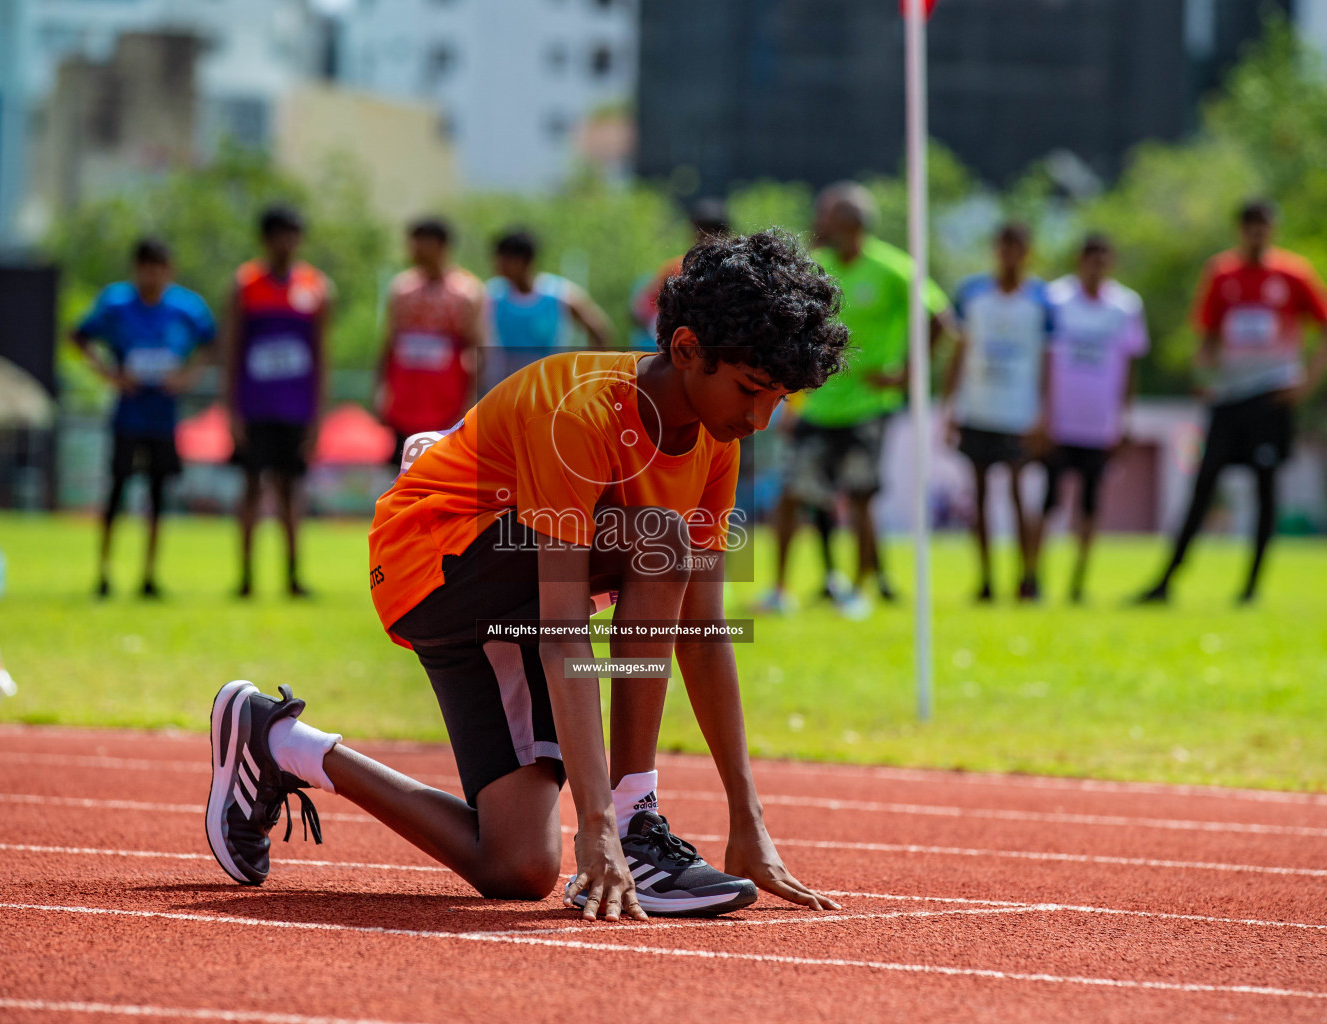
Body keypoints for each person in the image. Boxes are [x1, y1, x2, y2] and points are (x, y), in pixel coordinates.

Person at [205, 231, 848, 922]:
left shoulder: (716, 442)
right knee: (659, 541)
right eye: (752, 390)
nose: (759, 418)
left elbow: (702, 630)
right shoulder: (580, 409)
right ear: (687, 348)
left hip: (506, 601)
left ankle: (276, 741)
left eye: (778, 399)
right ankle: (636, 827)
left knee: (519, 865)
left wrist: (746, 821)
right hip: (431, 562)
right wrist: (598, 820)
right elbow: (565, 631)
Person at [759, 182, 954, 618]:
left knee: (861, 497)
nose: (819, 221)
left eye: (827, 215)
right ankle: (780, 589)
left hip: (868, 405)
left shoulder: (893, 267)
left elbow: (941, 318)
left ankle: (858, 592)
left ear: (848, 222)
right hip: (819, 403)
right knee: (791, 494)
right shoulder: (819, 265)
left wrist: (907, 372)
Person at [1137, 200, 1327, 605]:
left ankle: (1251, 588)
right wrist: (1202, 374)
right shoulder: (1221, 273)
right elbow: (1207, 336)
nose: (1257, 234)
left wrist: (1306, 384)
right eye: (1250, 226)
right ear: (1240, 230)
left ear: (1273, 229)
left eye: (1263, 226)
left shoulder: (1292, 273)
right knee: (1203, 487)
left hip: (1271, 397)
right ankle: (1166, 581)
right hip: (1229, 398)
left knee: (1265, 490)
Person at [71, 238, 216, 599]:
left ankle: (149, 576)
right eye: (145, 267)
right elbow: (78, 336)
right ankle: (103, 574)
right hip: (128, 416)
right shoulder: (116, 304)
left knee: (157, 497)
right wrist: (109, 375)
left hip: (163, 418)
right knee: (116, 494)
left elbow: (212, 342)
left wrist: (187, 377)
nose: (152, 275)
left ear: (170, 271)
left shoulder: (186, 308)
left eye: (159, 267)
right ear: (135, 269)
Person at [224, 205, 332, 599]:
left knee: (291, 491)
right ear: (265, 239)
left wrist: (318, 416)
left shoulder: (316, 287)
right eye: (278, 234)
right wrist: (231, 409)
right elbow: (231, 348)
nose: (286, 243)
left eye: (292, 234)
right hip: (254, 407)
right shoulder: (245, 284)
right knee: (251, 488)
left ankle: (292, 577)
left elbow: (322, 355)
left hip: (296, 409)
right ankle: (246, 578)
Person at [943, 222, 1054, 602]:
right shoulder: (972, 294)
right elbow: (959, 352)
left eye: (1017, 247)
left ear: (1028, 252)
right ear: (995, 250)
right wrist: (950, 406)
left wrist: (1044, 414)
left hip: (1019, 413)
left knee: (1021, 494)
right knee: (979, 497)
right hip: (978, 409)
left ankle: (1028, 576)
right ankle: (986, 579)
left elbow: (1047, 360)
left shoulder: (1042, 300)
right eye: (1004, 247)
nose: (1010, 255)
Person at [1040, 234, 1149, 603]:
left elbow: (1131, 365)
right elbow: (1045, 358)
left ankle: (1077, 583)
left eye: (1104, 259)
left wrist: (1125, 419)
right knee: (1048, 501)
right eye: (1091, 258)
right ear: (1079, 260)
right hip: (1058, 422)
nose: (1096, 266)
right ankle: (1036, 579)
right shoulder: (1056, 300)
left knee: (1090, 504)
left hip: (1099, 425)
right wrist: (1042, 413)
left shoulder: (1125, 306)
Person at [375, 217, 484, 468]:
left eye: (422, 242)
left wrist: (471, 400)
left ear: (442, 245)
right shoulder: (402, 290)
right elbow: (389, 343)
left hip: (448, 402)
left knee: (442, 473)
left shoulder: (465, 292)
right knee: (403, 473)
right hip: (405, 400)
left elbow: (477, 349)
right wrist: (381, 390)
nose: (415, 249)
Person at [478, 228, 613, 394]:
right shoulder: (493, 294)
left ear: (524, 260)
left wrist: (589, 378)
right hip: (504, 388)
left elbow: (599, 330)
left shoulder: (559, 294)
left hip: (548, 389)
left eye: (504, 259)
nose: (498, 265)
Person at [629, 197, 731, 350]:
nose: (705, 241)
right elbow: (640, 309)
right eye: (700, 234)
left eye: (711, 234)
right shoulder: (677, 269)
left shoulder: (733, 271)